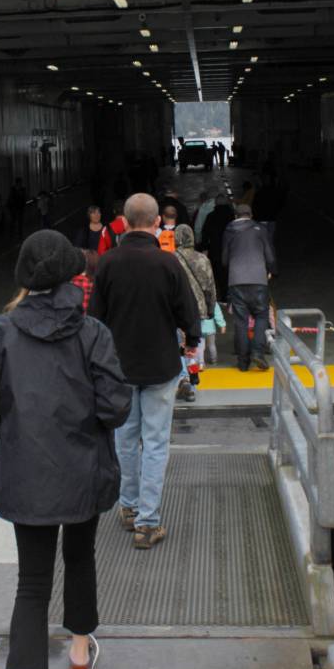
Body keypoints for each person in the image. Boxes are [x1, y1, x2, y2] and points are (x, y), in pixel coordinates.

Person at [0, 230, 131, 669]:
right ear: (70, 276)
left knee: (31, 584)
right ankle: (80, 656)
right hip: (81, 473)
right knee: (80, 558)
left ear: (23, 279)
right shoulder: (93, 334)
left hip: (24, 477)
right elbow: (116, 409)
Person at [89, 193, 201, 549]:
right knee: (155, 443)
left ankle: (128, 507)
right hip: (161, 366)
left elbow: (94, 319)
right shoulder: (168, 264)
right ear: (156, 223)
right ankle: (148, 523)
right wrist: (191, 342)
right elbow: (189, 313)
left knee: (125, 440)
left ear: (123, 222)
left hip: (120, 368)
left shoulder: (107, 263)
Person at [222, 203, 277, 372]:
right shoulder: (260, 229)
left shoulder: (229, 230)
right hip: (258, 280)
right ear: (251, 214)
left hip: (236, 281)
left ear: (235, 216)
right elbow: (269, 255)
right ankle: (258, 353)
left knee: (241, 321)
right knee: (261, 316)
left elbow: (224, 260)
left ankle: (243, 361)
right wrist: (271, 271)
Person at [173, 225, 217, 402]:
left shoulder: (170, 259)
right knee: (193, 346)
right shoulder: (202, 260)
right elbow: (210, 288)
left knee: (179, 345)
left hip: (176, 310)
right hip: (197, 310)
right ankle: (191, 382)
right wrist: (210, 309)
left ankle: (182, 378)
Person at [201, 194, 234, 301]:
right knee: (229, 273)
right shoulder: (232, 216)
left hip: (215, 250)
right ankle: (231, 294)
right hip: (230, 250)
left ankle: (222, 296)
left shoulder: (211, 216)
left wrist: (204, 247)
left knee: (218, 274)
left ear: (215, 203)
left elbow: (205, 233)